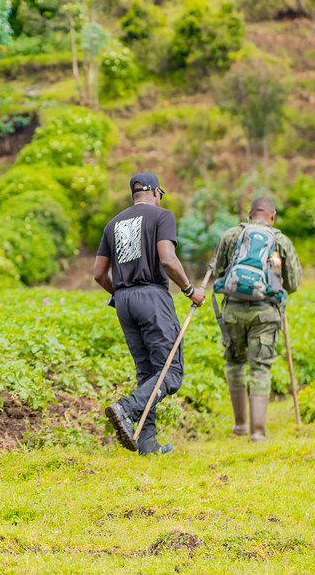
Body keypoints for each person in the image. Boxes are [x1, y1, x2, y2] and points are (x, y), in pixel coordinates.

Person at [93, 172, 205, 456]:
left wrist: (119, 294)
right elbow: (167, 258)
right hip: (152, 296)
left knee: (147, 372)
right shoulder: (161, 216)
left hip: (123, 300)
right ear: (155, 192)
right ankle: (127, 408)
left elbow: (98, 274)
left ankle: (147, 442)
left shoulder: (112, 224)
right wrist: (190, 289)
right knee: (170, 371)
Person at [212, 196, 302, 442]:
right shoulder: (281, 241)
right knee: (260, 367)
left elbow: (219, 273)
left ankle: (240, 425)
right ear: (272, 217)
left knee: (235, 362)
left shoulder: (231, 235)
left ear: (250, 214)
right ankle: (258, 432)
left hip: (232, 310)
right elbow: (293, 283)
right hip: (265, 313)